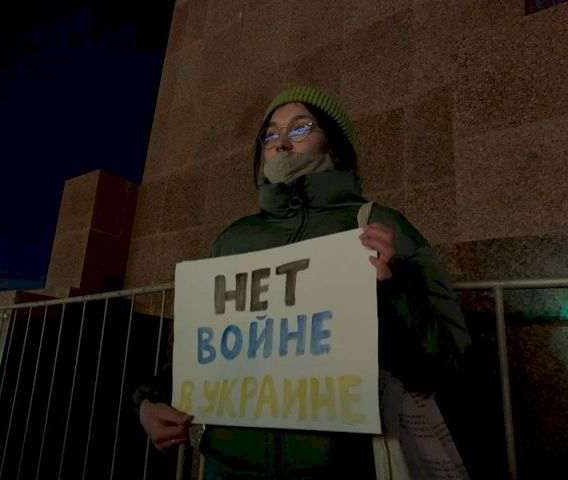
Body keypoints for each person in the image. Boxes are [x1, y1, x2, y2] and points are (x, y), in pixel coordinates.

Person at [134, 86, 471, 479]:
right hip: (228, 469)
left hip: (344, 469)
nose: (281, 143)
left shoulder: (380, 226)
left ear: (333, 144)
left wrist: (392, 291)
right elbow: (208, 351)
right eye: (270, 134)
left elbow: (448, 364)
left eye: (299, 128)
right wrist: (150, 401)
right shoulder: (233, 240)